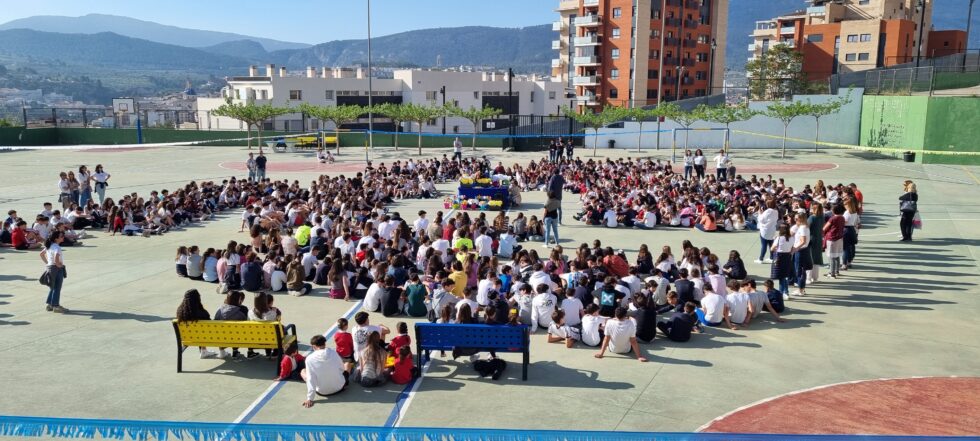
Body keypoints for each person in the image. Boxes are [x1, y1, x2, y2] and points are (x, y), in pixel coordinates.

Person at [302, 335, 348, 407]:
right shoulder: (333, 352)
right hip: (340, 387)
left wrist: (310, 398)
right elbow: (342, 368)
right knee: (347, 364)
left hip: (322, 392)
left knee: (303, 371)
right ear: (325, 344)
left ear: (314, 346)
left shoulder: (309, 359)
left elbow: (311, 379)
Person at [175, 289, 216, 358]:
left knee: (199, 331)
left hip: (187, 337)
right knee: (202, 331)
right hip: (205, 337)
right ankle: (203, 350)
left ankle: (203, 351)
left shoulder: (180, 312)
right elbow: (210, 326)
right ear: (198, 298)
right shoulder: (202, 313)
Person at [40, 231, 67, 313]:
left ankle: (50, 305)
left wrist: (48, 263)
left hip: (50, 268)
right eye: (61, 236)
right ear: (56, 238)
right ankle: (56, 306)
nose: (63, 237)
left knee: (53, 287)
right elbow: (56, 258)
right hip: (56, 268)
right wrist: (59, 265)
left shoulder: (49, 245)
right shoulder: (57, 247)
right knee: (57, 288)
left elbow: (41, 254)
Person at [770, 223, 794, 295]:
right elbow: (792, 248)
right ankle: (786, 292)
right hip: (787, 257)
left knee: (781, 277)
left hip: (779, 257)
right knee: (785, 275)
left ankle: (782, 292)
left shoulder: (779, 238)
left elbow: (772, 248)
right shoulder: (792, 238)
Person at [755, 199, 778, 263]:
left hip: (765, 230)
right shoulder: (776, 211)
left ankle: (761, 259)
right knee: (771, 244)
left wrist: (760, 213)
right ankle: (771, 257)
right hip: (772, 229)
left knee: (764, 245)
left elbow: (761, 220)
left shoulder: (768, 211)